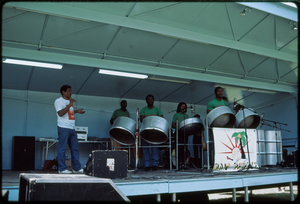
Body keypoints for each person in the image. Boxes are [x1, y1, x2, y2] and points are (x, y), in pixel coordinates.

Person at [54, 85, 85, 174]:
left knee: (75, 148)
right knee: (62, 149)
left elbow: (68, 112)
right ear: (63, 92)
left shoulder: (68, 102)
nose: (70, 93)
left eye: (71, 91)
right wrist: (70, 104)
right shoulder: (58, 101)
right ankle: (62, 169)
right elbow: (60, 113)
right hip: (63, 127)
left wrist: (76, 111)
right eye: (68, 91)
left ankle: (76, 168)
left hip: (72, 128)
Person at [140, 94, 163, 171]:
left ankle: (154, 165)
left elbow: (162, 119)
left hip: (155, 131)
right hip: (145, 131)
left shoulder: (157, 110)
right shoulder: (143, 109)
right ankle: (147, 165)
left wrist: (152, 117)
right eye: (148, 99)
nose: (150, 100)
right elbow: (141, 119)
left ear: (153, 100)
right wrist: (153, 117)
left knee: (155, 148)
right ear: (146, 101)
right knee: (145, 148)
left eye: (151, 99)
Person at [172, 102, 189, 169]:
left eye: (184, 106)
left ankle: (184, 164)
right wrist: (178, 126)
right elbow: (173, 125)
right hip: (178, 133)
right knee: (179, 148)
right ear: (179, 107)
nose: (183, 107)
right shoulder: (176, 115)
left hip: (185, 133)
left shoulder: (186, 115)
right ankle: (178, 164)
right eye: (182, 106)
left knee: (185, 148)